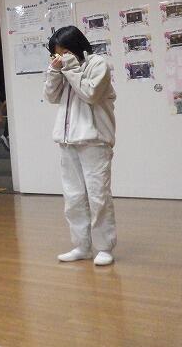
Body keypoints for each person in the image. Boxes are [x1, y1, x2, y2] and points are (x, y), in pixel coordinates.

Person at [44, 25, 117, 267]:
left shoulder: (98, 64)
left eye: (64, 52)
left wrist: (70, 69)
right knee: (73, 197)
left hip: (94, 141)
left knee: (98, 196)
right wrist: (55, 72)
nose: (60, 57)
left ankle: (104, 247)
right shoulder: (65, 69)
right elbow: (51, 97)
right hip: (67, 141)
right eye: (56, 54)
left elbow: (90, 94)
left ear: (76, 47)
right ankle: (82, 246)